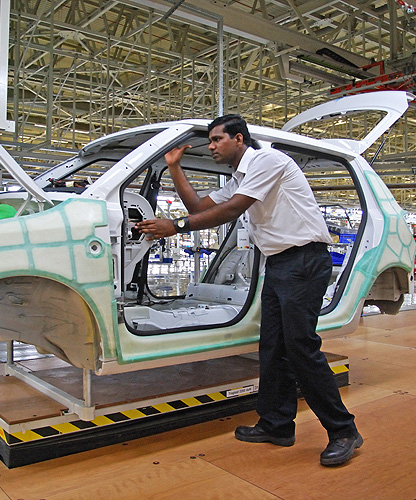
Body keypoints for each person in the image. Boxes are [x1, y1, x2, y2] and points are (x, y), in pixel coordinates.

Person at [134, 114, 362, 466]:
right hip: (281, 264)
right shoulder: (241, 176)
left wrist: (175, 227)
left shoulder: (268, 160)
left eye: (216, 140)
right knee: (272, 347)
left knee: (301, 348)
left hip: (303, 261)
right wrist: (174, 168)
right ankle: (277, 425)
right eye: (209, 141)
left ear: (239, 139)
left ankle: (343, 430)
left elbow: (232, 210)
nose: (211, 146)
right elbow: (200, 208)